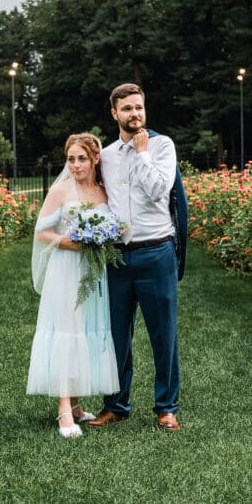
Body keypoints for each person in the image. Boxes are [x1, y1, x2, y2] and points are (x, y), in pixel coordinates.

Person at [88, 83, 182, 432]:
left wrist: (142, 153)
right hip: (118, 258)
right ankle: (115, 404)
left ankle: (166, 406)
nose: (135, 114)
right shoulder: (107, 155)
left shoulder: (162, 145)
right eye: (127, 109)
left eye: (139, 107)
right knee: (115, 336)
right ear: (114, 113)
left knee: (164, 335)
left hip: (156, 252)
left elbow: (160, 189)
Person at [27, 133, 120, 438]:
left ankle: (78, 404)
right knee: (67, 330)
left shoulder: (103, 191)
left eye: (82, 158)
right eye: (71, 159)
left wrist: (103, 240)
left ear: (95, 159)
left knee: (86, 329)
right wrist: (70, 242)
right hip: (67, 269)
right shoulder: (61, 190)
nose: (76, 165)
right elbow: (42, 232)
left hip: (94, 273)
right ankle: (64, 409)